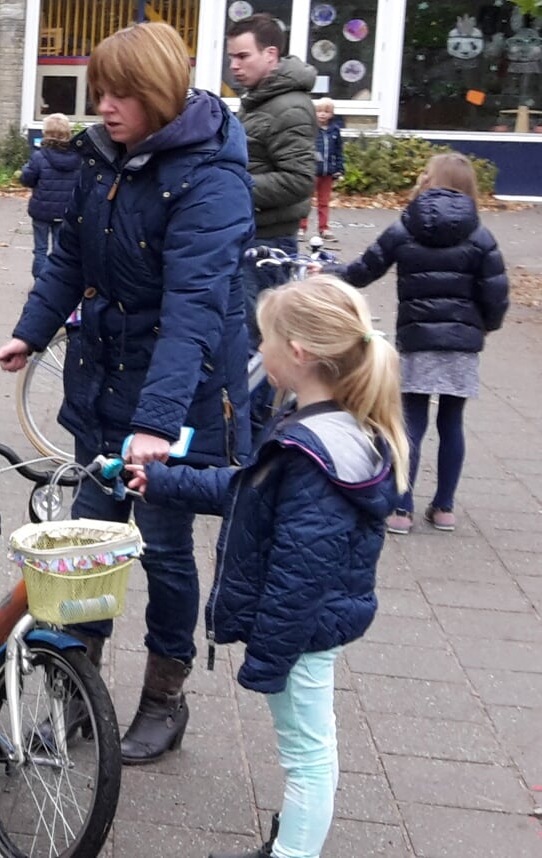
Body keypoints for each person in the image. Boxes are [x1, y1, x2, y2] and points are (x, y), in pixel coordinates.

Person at [0, 21, 254, 765]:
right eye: (97, 92)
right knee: (87, 546)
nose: (102, 106)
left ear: (158, 95)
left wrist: (156, 424)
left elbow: (195, 310)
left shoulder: (210, 177)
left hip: (183, 402)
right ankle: (80, 693)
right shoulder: (97, 158)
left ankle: (163, 700)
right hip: (105, 384)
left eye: (119, 95)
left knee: (166, 550)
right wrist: (31, 331)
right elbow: (69, 258)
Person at [129, 276, 403, 858]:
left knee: (306, 756)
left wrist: (268, 657)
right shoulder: (321, 426)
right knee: (313, 744)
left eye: (265, 341)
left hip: (301, 632)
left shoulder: (311, 450)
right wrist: (162, 481)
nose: (259, 352)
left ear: (298, 354)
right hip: (313, 626)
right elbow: (247, 489)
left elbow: (300, 572)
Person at [331, 153, 506, 535]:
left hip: (417, 339)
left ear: (429, 180)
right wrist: (486, 327)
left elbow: (365, 269)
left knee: (409, 422)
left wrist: (329, 273)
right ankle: (444, 508)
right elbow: (495, 292)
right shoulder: (480, 234)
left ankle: (400, 509)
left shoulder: (405, 226)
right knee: (452, 421)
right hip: (462, 343)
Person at [225, 13, 317, 341]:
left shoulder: (288, 107)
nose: (234, 65)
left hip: (268, 244)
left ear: (271, 55)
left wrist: (231, 188)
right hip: (250, 234)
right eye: (231, 57)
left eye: (243, 56)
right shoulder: (259, 101)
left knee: (258, 342)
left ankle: (257, 396)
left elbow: (298, 179)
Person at [20, 113, 82, 282]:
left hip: (41, 210)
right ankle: (55, 282)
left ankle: (40, 281)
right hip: (66, 210)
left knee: (40, 248)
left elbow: (28, 179)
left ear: (46, 133)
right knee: (59, 249)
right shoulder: (78, 157)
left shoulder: (39, 156)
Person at [307, 99, 344, 240]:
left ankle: (324, 229)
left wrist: (339, 168)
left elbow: (339, 151)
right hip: (312, 171)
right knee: (306, 201)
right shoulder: (311, 130)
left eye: (326, 112)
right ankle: (302, 227)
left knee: (324, 202)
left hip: (328, 172)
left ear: (331, 114)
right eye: (319, 111)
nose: (322, 114)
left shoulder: (334, 131)